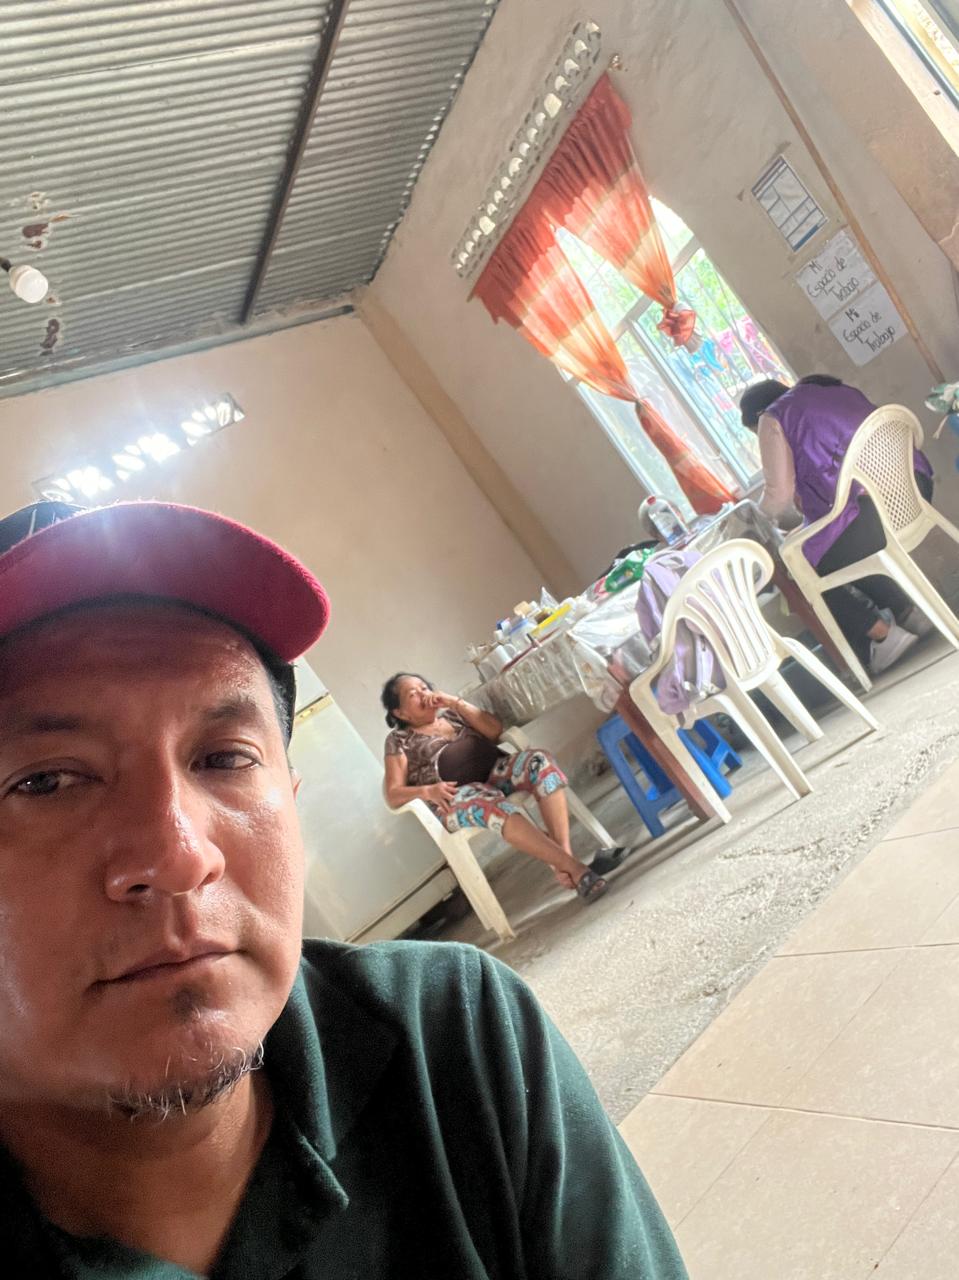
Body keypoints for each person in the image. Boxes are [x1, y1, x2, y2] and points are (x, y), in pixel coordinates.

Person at [0, 498, 686, 1278]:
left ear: (291, 803)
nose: (182, 858)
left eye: (224, 758)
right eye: (45, 782)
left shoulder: (454, 1038)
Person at [740, 373, 935, 674]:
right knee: (830, 546)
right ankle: (910, 614)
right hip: (914, 490)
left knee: (799, 565)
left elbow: (778, 496)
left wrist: (753, 519)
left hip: (874, 515)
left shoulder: (774, 418)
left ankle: (883, 636)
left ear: (758, 417)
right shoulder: (830, 389)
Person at [382, 673, 627, 902]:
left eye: (424, 687)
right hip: (455, 797)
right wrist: (427, 791)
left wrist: (456, 702)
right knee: (490, 806)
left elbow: (494, 730)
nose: (423, 694)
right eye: (413, 694)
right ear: (400, 712)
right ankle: (578, 870)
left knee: (539, 762)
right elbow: (393, 794)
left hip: (495, 772)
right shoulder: (399, 741)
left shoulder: (454, 714)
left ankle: (565, 862)